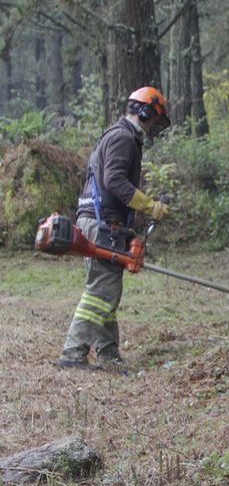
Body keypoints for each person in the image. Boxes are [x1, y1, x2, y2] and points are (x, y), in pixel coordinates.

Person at [58, 86, 172, 371]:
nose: (154, 127)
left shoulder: (115, 135)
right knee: (101, 292)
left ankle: (107, 352)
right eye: (155, 119)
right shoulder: (124, 138)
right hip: (102, 222)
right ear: (146, 111)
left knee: (105, 288)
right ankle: (73, 354)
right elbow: (116, 182)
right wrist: (151, 206)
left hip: (96, 220)